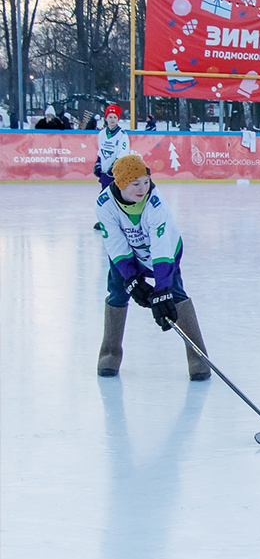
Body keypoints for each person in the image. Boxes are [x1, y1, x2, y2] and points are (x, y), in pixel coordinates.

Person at [95, 154, 210, 381]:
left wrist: (162, 289)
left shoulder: (155, 203)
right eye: (135, 184)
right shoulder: (105, 203)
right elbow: (115, 243)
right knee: (118, 292)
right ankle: (110, 352)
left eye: (145, 181)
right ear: (120, 184)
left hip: (163, 253)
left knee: (175, 294)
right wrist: (132, 280)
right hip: (127, 255)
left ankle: (198, 356)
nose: (142, 188)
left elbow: (161, 248)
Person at [95, 105, 130, 190]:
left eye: (115, 117)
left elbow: (123, 153)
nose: (112, 119)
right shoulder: (102, 134)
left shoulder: (122, 135)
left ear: (118, 119)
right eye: (110, 117)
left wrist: (114, 167)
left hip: (116, 174)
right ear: (106, 118)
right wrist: (98, 164)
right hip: (105, 174)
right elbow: (101, 151)